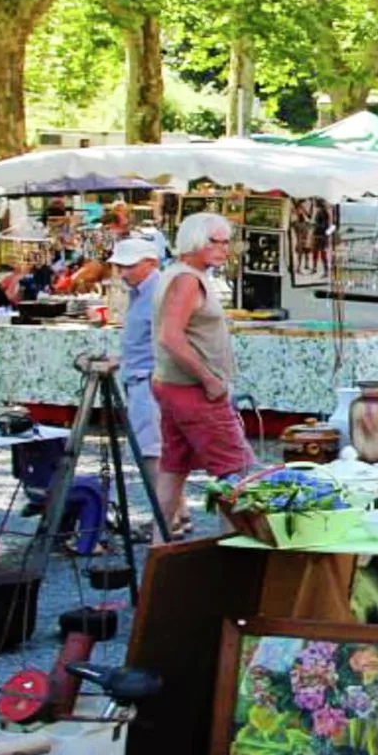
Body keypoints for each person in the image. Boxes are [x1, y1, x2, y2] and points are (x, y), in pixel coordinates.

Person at [150, 212, 252, 543]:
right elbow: (170, 337)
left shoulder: (179, 274)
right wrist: (209, 380)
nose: (223, 249)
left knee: (174, 467)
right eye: (215, 242)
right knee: (233, 470)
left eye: (226, 242)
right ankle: (237, 549)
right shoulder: (186, 280)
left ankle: (158, 546)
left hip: (174, 386)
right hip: (193, 390)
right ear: (194, 242)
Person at [107, 238, 187, 538]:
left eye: (129, 266)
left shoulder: (158, 293)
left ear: (151, 263)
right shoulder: (141, 292)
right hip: (141, 377)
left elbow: (169, 340)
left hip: (150, 381)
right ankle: (178, 514)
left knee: (152, 454)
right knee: (159, 451)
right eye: (121, 266)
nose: (123, 272)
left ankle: (167, 519)